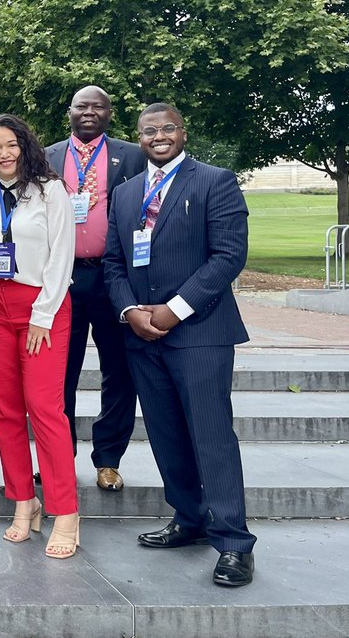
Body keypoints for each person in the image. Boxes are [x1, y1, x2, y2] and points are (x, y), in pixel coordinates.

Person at [102, 103, 257, 588]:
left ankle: (233, 542)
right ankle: (189, 518)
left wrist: (175, 309)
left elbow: (228, 256)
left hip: (200, 335)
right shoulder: (126, 193)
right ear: (139, 137)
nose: (160, 136)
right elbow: (112, 263)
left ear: (183, 132)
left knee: (211, 437)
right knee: (166, 436)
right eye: (150, 131)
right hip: (142, 336)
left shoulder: (215, 181)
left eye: (168, 128)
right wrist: (131, 312)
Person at [0, 114, 78, 559]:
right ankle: (24, 501)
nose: (4, 154)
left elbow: (62, 254)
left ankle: (66, 511)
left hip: (39, 310)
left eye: (11, 145)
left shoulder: (50, 190)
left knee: (45, 409)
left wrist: (44, 314)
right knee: (5, 411)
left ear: (25, 147)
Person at [44, 86, 145, 491]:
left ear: (109, 113)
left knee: (118, 372)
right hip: (62, 278)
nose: (89, 112)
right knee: (57, 374)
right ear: (69, 112)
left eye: (98, 106)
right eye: (82, 106)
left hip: (113, 276)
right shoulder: (47, 156)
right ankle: (58, 456)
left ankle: (108, 458)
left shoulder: (133, 156)